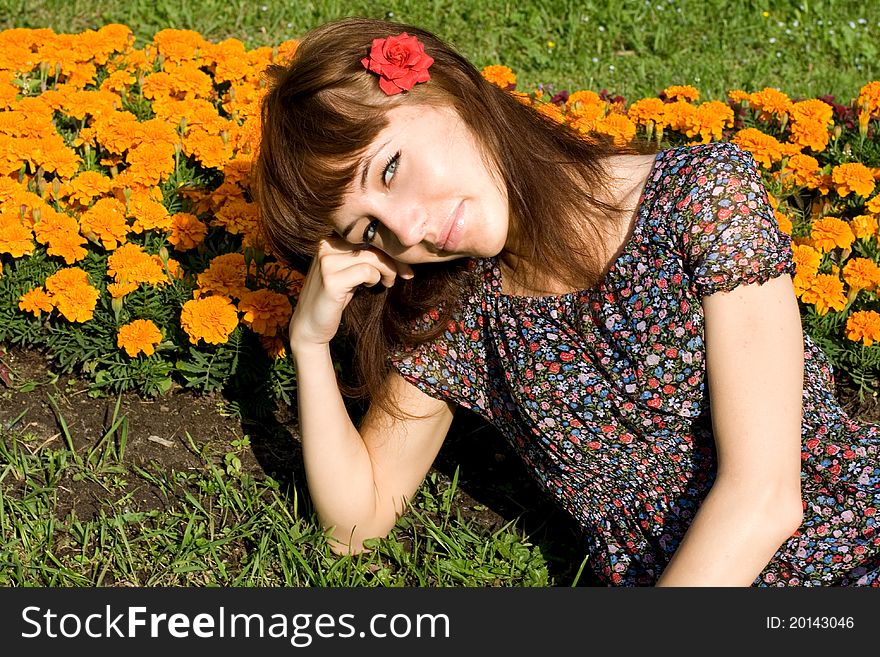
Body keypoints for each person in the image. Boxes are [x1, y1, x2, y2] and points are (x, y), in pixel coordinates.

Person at [254, 16, 879, 586]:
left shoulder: (702, 199)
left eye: (389, 171)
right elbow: (355, 527)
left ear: (446, 91)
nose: (408, 230)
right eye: (369, 230)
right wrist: (309, 343)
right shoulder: (457, 317)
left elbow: (765, 497)